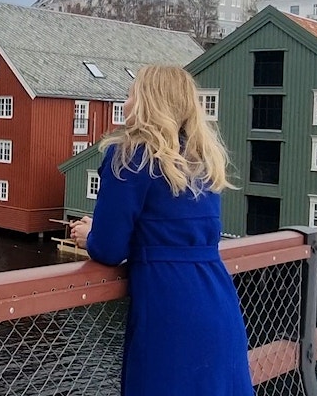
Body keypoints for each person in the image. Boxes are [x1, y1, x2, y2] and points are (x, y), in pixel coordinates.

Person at [69, 64, 252, 395]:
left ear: (146, 102)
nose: (124, 103)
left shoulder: (129, 156)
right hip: (218, 302)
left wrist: (89, 236)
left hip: (169, 307)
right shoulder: (201, 160)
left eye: (129, 94)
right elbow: (173, 229)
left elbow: (109, 249)